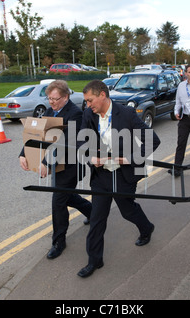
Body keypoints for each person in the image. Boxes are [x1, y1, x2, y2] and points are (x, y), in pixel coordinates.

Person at [77, 80, 160, 277]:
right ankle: (94, 261)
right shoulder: (89, 114)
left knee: (127, 211)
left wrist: (129, 158)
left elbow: (153, 140)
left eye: (90, 100)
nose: (88, 105)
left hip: (124, 174)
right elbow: (81, 140)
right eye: (86, 101)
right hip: (101, 175)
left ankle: (146, 228)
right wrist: (91, 157)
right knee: (97, 218)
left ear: (103, 95)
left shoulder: (128, 114)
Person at [19, 80, 91, 260]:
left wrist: (45, 162)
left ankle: (59, 242)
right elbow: (38, 136)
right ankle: (92, 211)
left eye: (55, 99)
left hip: (71, 166)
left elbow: (64, 143)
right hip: (56, 165)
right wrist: (24, 154)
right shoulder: (50, 112)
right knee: (68, 197)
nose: (51, 102)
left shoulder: (75, 114)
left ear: (66, 97)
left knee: (58, 201)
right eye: (49, 98)